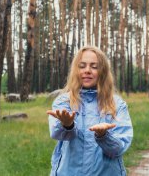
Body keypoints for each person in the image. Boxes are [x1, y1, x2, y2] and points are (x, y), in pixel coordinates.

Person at [47, 46, 133, 176]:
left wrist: (103, 136)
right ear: (76, 70)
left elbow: (119, 148)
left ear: (103, 71)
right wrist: (67, 125)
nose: (87, 70)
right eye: (82, 66)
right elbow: (57, 134)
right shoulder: (63, 101)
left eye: (94, 66)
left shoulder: (117, 104)